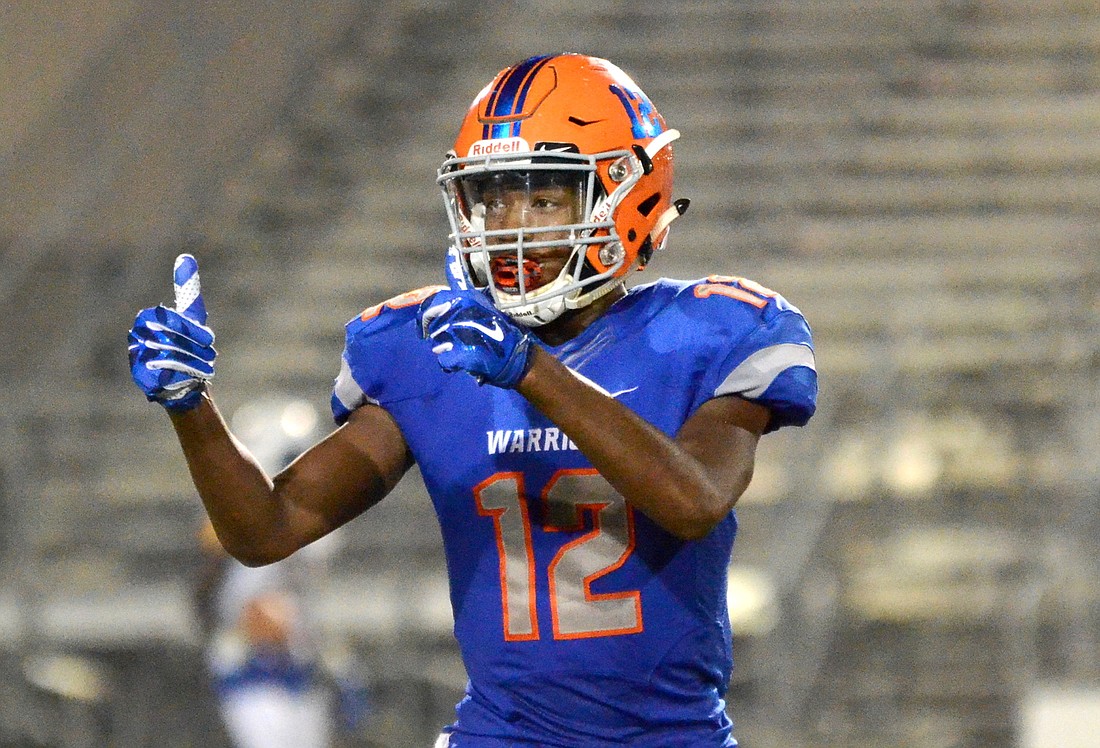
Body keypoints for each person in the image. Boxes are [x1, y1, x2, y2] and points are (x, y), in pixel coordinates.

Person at [128, 53, 817, 747]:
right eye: (493, 198)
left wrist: (529, 370)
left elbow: (692, 499)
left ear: (629, 197)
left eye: (544, 199)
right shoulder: (431, 347)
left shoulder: (703, 333)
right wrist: (193, 408)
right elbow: (265, 530)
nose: (511, 225)